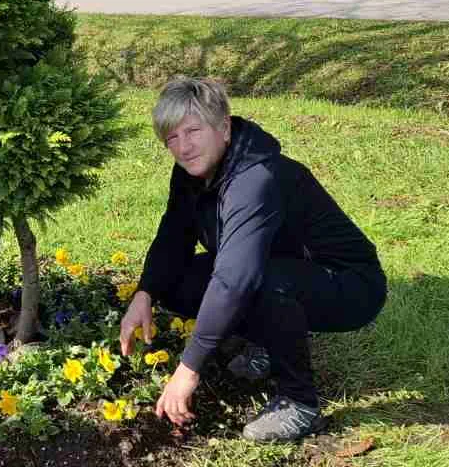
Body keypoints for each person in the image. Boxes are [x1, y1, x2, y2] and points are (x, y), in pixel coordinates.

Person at [118, 76, 386, 442]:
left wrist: (188, 368)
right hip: (280, 265)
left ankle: (299, 402)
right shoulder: (191, 172)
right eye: (171, 138)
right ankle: (270, 340)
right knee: (176, 282)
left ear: (224, 127)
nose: (183, 147)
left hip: (348, 284)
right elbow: (174, 234)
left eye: (193, 131)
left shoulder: (256, 179)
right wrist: (145, 293)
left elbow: (236, 278)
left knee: (261, 281)